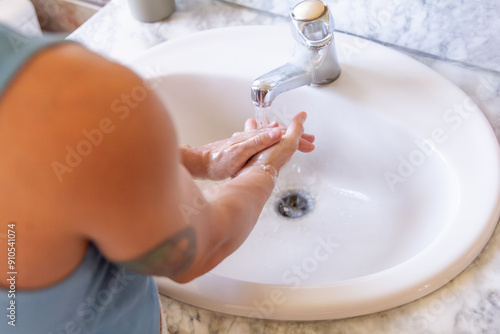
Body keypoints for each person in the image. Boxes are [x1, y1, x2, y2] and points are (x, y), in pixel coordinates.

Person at [0, 24, 315, 333]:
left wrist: (200, 160)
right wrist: (263, 169)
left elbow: (67, 176)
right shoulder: (76, 98)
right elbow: (199, 250)